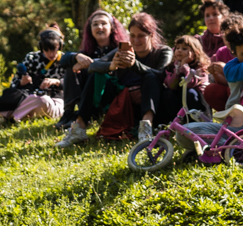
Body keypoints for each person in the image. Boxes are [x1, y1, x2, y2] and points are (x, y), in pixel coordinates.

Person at [56, 13, 173, 147]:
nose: (136, 40)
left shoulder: (163, 51)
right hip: (123, 102)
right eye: (132, 36)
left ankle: (146, 129)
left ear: (151, 35)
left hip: (151, 104)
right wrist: (111, 65)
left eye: (141, 36)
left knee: (151, 77)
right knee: (96, 75)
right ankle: (79, 128)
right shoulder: (123, 50)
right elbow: (94, 66)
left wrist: (134, 65)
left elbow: (161, 75)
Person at [0, 25, 74, 127]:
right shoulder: (31, 57)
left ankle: (5, 117)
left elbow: (72, 85)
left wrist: (56, 82)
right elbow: (14, 84)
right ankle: (19, 115)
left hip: (50, 101)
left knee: (43, 101)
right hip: (26, 99)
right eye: (46, 50)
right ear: (41, 47)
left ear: (60, 46)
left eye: (53, 49)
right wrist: (21, 83)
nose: (51, 53)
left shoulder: (65, 59)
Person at [59, 10, 128, 128]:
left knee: (96, 72)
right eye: (95, 24)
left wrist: (90, 64)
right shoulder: (87, 52)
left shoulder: (119, 48)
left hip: (109, 96)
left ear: (111, 28)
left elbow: (105, 63)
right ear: (90, 30)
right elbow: (63, 61)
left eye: (103, 23)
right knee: (71, 67)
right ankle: (69, 113)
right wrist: (76, 56)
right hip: (87, 97)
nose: (99, 27)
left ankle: (88, 116)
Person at [157, 36, 211, 121]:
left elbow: (190, 84)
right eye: (177, 48)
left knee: (190, 93)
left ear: (195, 53)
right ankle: (179, 122)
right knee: (168, 93)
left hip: (197, 103)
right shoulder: (172, 67)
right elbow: (171, 85)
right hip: (180, 102)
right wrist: (177, 71)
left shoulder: (200, 68)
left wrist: (184, 66)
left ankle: (196, 122)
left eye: (184, 48)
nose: (179, 50)